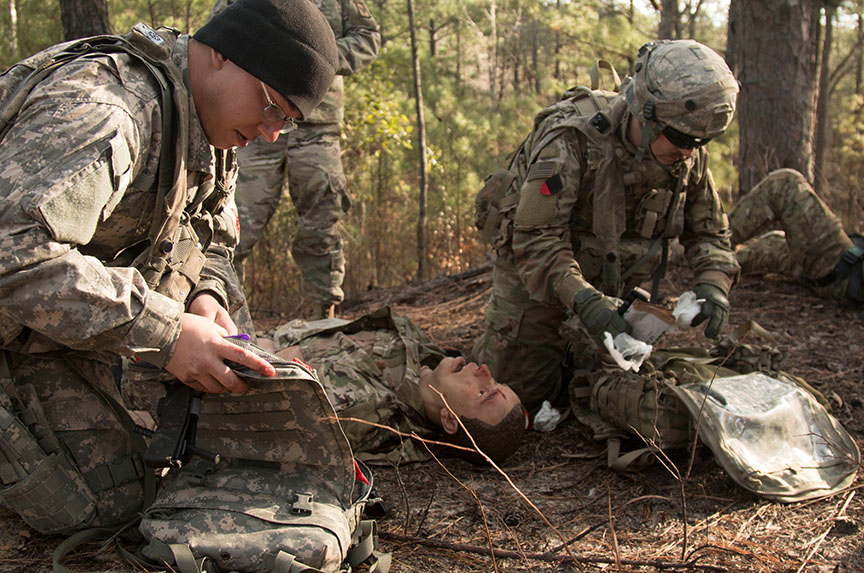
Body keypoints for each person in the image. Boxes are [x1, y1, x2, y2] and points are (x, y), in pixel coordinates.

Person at [0, 0, 337, 537]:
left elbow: (212, 242)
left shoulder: (210, 121)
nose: (272, 133)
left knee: (191, 459)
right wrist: (169, 333)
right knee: (98, 504)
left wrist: (207, 299)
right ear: (222, 56)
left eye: (288, 122)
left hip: (60, 317)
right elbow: (11, 254)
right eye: (273, 107)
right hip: (17, 307)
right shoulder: (107, 111)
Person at [472, 39, 741, 412]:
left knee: (621, 387)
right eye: (680, 138)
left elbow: (710, 233)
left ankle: (578, 347)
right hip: (537, 281)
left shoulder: (686, 152)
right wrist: (584, 300)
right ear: (645, 114)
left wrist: (715, 283)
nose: (689, 152)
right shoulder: (571, 140)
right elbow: (535, 238)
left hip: (609, 286)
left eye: (701, 141)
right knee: (523, 397)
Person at [210, 0, 381, 320]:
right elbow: (220, 31)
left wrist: (318, 57)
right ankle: (223, 315)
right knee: (233, 223)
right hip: (255, 117)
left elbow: (367, 38)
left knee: (322, 224)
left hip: (317, 126)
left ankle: (323, 318)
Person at [267, 306, 526, 465]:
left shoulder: (364, 405)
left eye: (483, 392)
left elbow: (264, 369)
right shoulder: (430, 358)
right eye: (496, 382)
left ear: (449, 420)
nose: (484, 371)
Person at [730, 168, 864, 303]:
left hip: (841, 269)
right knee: (772, 243)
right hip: (845, 274)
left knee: (784, 184)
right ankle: (716, 262)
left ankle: (713, 242)